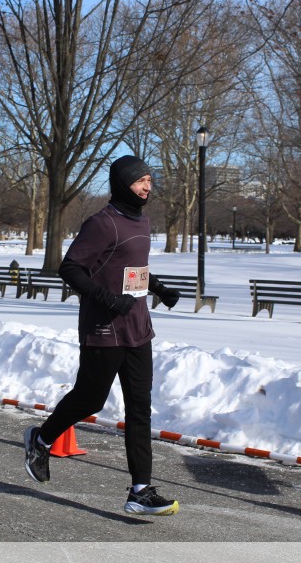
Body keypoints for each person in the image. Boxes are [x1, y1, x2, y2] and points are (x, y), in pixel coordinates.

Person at [23, 154, 182, 515]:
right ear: (123, 183)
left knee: (139, 409)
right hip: (104, 329)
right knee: (90, 400)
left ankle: (140, 490)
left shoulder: (142, 222)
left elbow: (132, 268)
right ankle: (41, 439)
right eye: (140, 181)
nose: (147, 187)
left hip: (138, 329)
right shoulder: (102, 223)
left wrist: (159, 288)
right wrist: (108, 299)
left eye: (149, 181)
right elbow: (70, 268)